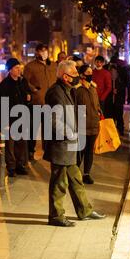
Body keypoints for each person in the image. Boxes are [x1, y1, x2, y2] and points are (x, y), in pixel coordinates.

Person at [44, 60, 106, 227]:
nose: (78, 78)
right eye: (75, 76)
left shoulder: (68, 90)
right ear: (65, 77)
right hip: (61, 145)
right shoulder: (55, 93)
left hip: (69, 144)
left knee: (76, 179)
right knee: (59, 183)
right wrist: (70, 133)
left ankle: (84, 210)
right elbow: (53, 120)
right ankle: (56, 216)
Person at [0, 58, 31, 177]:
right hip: (10, 120)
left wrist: (28, 98)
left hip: (22, 118)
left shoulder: (22, 82)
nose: (19, 69)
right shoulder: (4, 85)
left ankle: (20, 165)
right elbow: (1, 105)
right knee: (10, 145)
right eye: (16, 68)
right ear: (10, 70)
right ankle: (11, 167)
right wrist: (5, 121)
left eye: (19, 67)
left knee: (21, 143)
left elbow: (27, 96)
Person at [23, 43, 57, 161]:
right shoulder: (30, 67)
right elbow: (25, 82)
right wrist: (33, 90)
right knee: (33, 129)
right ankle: (30, 152)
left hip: (51, 104)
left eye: (45, 51)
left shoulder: (53, 65)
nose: (43, 53)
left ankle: (47, 151)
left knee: (48, 130)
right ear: (37, 52)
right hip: (36, 103)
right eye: (41, 51)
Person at [75, 65, 102, 184]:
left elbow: (97, 104)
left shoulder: (93, 88)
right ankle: (74, 173)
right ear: (82, 75)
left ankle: (86, 173)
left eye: (91, 72)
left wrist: (99, 112)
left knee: (89, 151)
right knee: (80, 150)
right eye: (88, 72)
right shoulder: (77, 89)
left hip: (94, 124)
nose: (91, 74)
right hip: (82, 125)